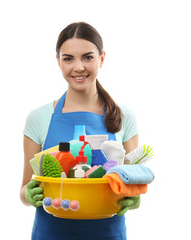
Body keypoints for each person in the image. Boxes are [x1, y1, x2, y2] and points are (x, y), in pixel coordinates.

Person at [20, 22, 140, 240]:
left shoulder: (125, 117)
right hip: (50, 233)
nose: (78, 67)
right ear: (58, 61)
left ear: (102, 58)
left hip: (108, 234)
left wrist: (134, 197)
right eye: (68, 58)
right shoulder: (38, 118)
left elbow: (133, 180)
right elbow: (24, 189)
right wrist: (29, 194)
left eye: (87, 57)